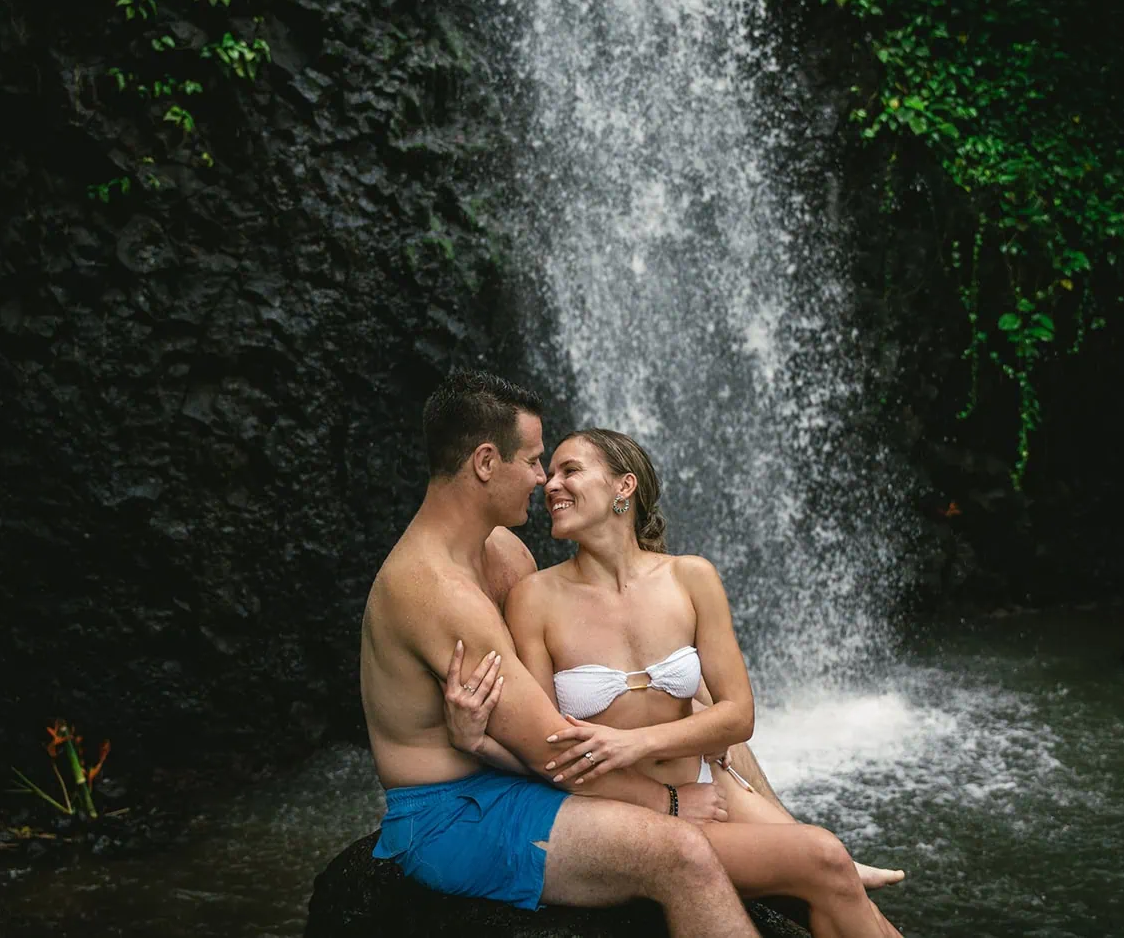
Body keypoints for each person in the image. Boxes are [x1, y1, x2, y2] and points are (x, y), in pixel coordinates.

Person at [443, 426, 905, 938]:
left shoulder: (691, 577)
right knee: (824, 856)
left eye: (569, 470)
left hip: (711, 790)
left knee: (839, 875)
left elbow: (738, 715)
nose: (549, 484)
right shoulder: (534, 598)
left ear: (624, 487)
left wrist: (633, 741)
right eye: (548, 473)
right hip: (623, 811)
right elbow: (549, 747)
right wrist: (477, 741)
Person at [359, 371, 761, 936]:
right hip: (454, 811)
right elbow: (555, 750)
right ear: (484, 462)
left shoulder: (503, 553)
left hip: (512, 776)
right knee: (683, 854)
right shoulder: (432, 588)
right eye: (531, 460)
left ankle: (809, 852)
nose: (542, 478)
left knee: (697, 709)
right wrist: (669, 802)